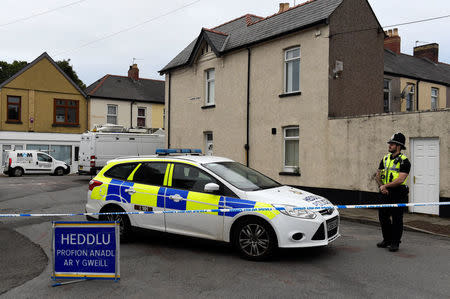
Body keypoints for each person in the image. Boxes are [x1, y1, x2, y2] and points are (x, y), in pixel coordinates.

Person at [375, 132, 411, 252]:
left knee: (397, 219)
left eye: (392, 143)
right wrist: (382, 187)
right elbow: (378, 175)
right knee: (383, 217)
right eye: (390, 143)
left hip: (398, 193)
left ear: (399, 146)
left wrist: (385, 186)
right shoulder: (385, 158)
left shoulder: (404, 161)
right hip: (384, 192)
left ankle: (395, 242)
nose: (389, 145)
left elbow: (400, 179)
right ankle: (387, 240)